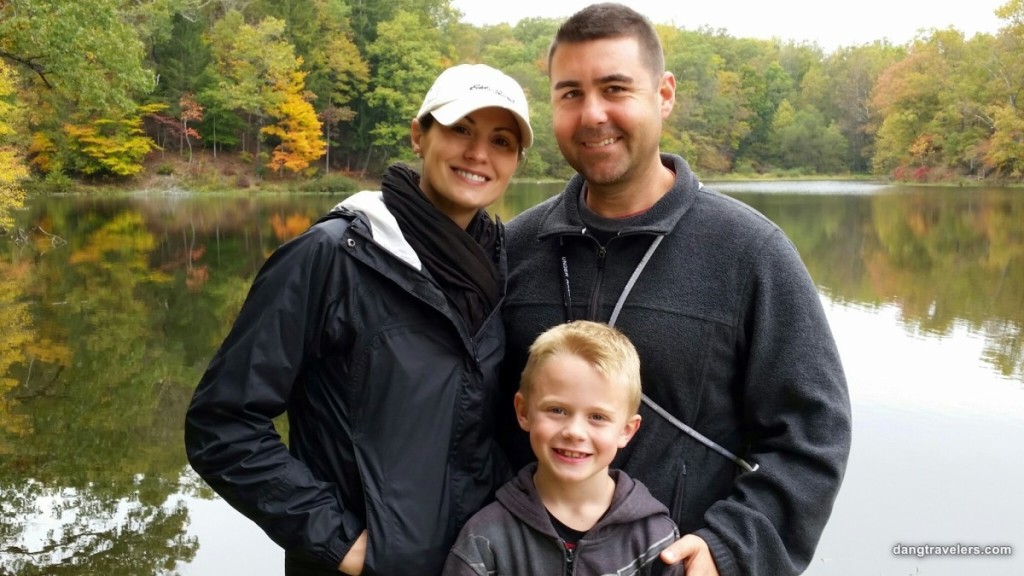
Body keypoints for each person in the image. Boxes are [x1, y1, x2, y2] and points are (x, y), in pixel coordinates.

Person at [500, 4, 852, 576]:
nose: (593, 114)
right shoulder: (514, 248)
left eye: (615, 88)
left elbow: (812, 434)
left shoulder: (749, 252)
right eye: (570, 93)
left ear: (663, 94)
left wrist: (730, 548)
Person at [185, 63, 533, 576]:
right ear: (420, 135)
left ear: (516, 160)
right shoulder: (329, 257)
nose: (478, 154)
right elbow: (222, 424)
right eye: (461, 129)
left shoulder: (501, 262)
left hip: (471, 563)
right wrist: (341, 543)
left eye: (501, 141)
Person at [443, 320, 684, 576]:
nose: (574, 432)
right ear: (523, 412)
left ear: (627, 430)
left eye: (597, 417)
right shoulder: (485, 539)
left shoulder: (654, 539)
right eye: (557, 410)